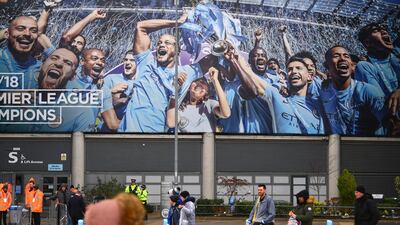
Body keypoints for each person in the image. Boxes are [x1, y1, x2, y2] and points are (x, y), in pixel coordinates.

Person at [119, 14, 214, 132]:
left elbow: (214, 58)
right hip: (128, 133)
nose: (162, 45)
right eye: (159, 43)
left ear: (177, 51)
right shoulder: (146, 61)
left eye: (167, 43)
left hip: (156, 136)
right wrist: (176, 23)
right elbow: (141, 27)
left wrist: (211, 30)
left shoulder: (186, 73)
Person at [320, 45, 387, 135]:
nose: (342, 59)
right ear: (327, 66)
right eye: (336, 56)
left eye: (346, 56)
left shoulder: (368, 91)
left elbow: (393, 126)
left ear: (352, 66)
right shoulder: (323, 93)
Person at [355, 23, 400, 135]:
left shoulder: (397, 57)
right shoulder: (364, 67)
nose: (384, 31)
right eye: (377, 30)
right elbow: (379, 106)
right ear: (367, 43)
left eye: (384, 29)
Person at [166, 67, 231, 132]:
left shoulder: (209, 105)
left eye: (204, 85)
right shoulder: (178, 107)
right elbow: (171, 123)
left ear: (205, 96)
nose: (200, 84)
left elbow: (226, 114)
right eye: (197, 81)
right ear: (188, 87)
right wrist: (175, 90)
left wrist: (215, 80)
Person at [0, 16, 43, 89]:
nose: (27, 34)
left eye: (33, 30)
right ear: (7, 34)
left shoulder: (41, 68)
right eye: (20, 29)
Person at [100, 50, 137, 132]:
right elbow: (95, 99)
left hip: (132, 131)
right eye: (125, 60)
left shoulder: (142, 83)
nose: (127, 62)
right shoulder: (110, 78)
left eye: (132, 60)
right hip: (108, 131)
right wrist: (111, 91)